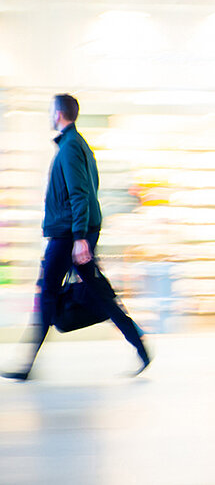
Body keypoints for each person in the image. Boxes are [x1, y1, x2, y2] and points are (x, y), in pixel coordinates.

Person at [5, 94, 150, 381]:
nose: (49, 115)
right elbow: (88, 190)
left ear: (58, 113)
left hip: (69, 233)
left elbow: (80, 194)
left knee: (47, 292)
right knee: (98, 292)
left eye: (50, 110)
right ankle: (141, 346)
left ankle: (27, 364)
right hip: (74, 232)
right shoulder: (77, 144)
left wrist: (81, 238)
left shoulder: (70, 147)